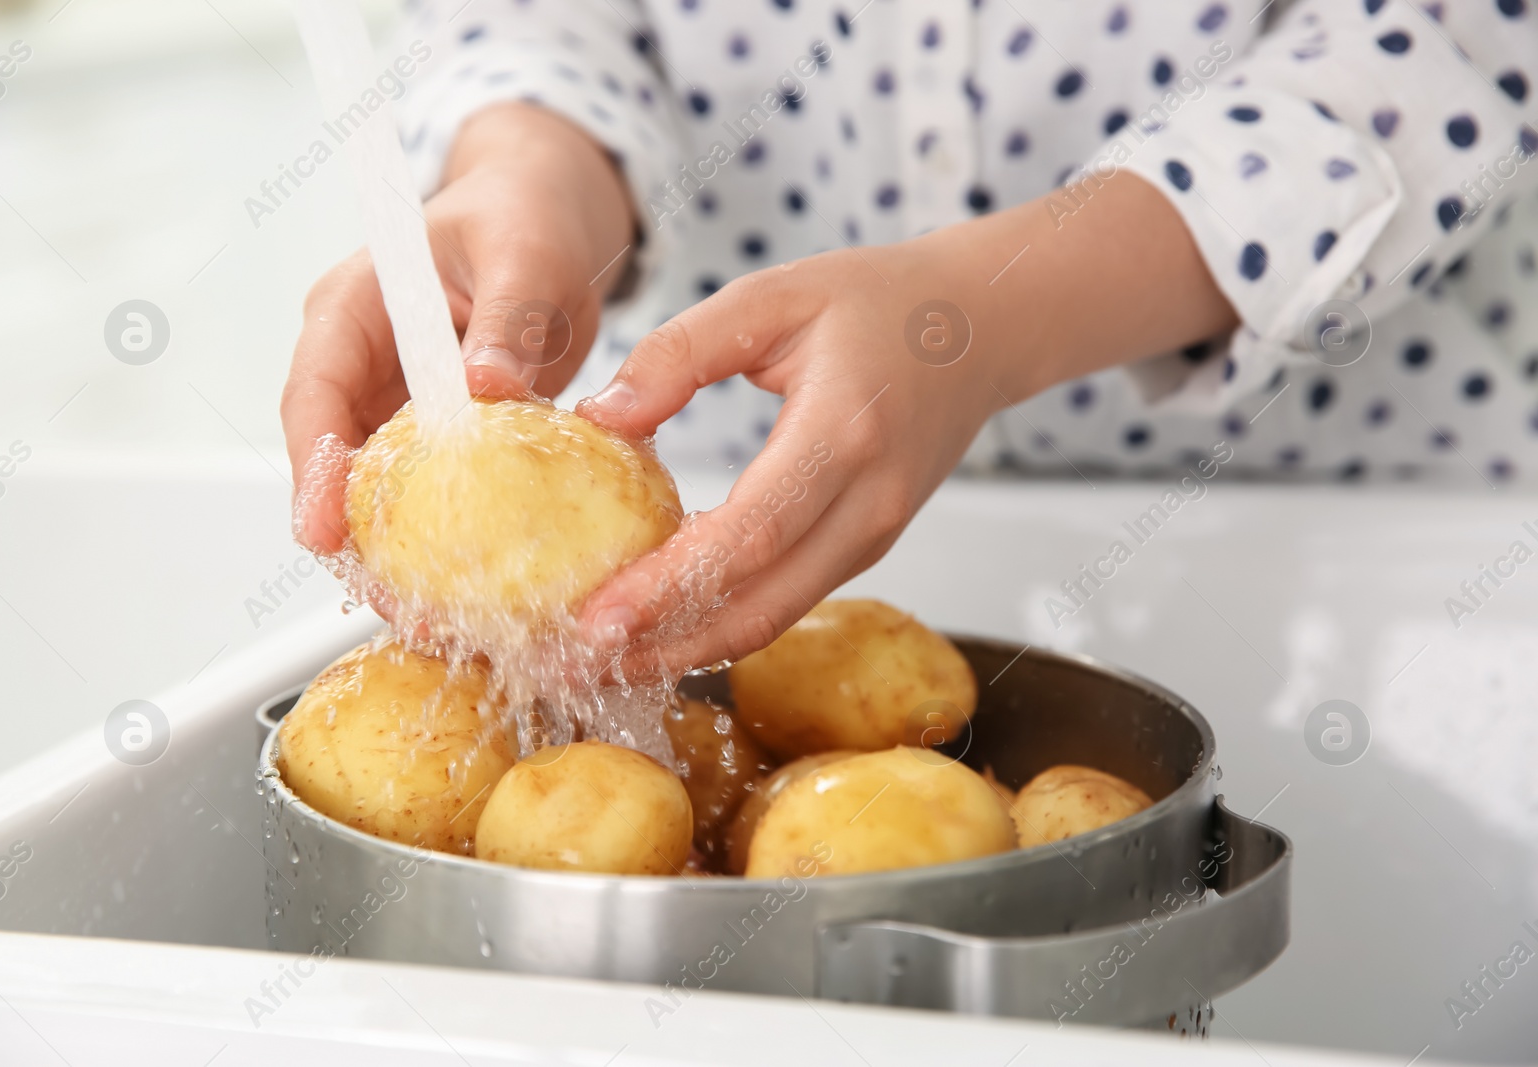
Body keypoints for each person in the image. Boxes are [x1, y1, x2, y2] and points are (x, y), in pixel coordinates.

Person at [282, 0, 1538, 676]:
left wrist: (978, 317)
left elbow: (1435, 50)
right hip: (739, 528)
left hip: (1371, 566)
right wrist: (530, 174)